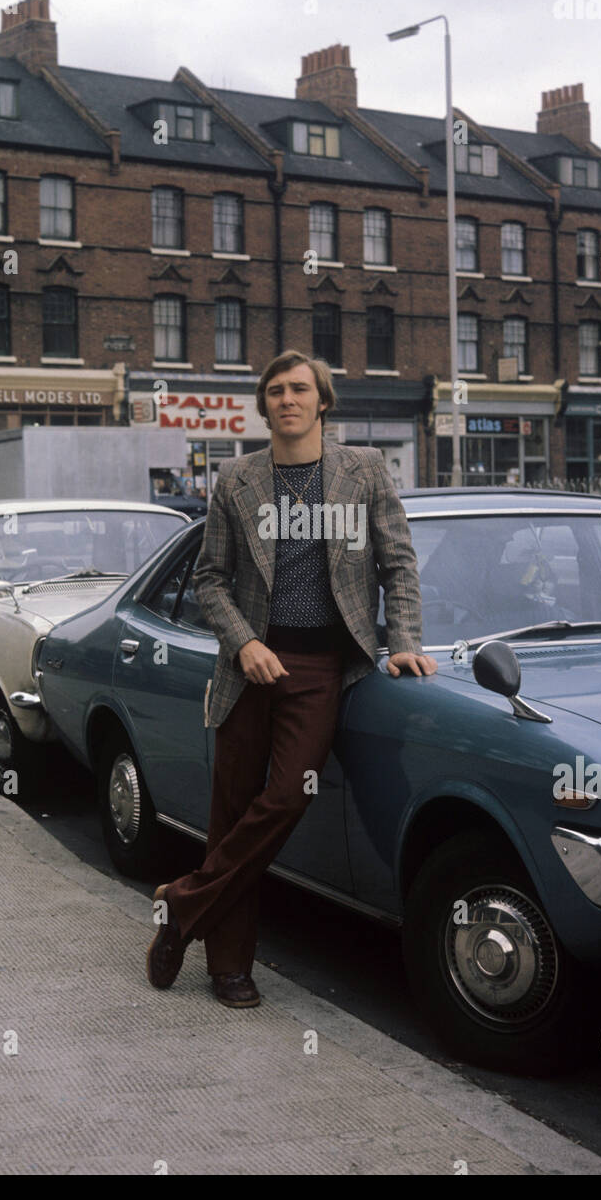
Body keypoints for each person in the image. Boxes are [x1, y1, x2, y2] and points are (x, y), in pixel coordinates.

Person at [146, 351, 436, 1007]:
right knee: (233, 814)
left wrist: (405, 644)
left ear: (323, 401)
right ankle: (229, 968)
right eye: (275, 390)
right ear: (264, 403)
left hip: (320, 667)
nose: (287, 399)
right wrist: (244, 641)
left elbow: (399, 564)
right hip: (248, 666)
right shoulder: (237, 477)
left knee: (284, 800)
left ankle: (182, 906)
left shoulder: (363, 472)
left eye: (299, 388)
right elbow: (210, 578)